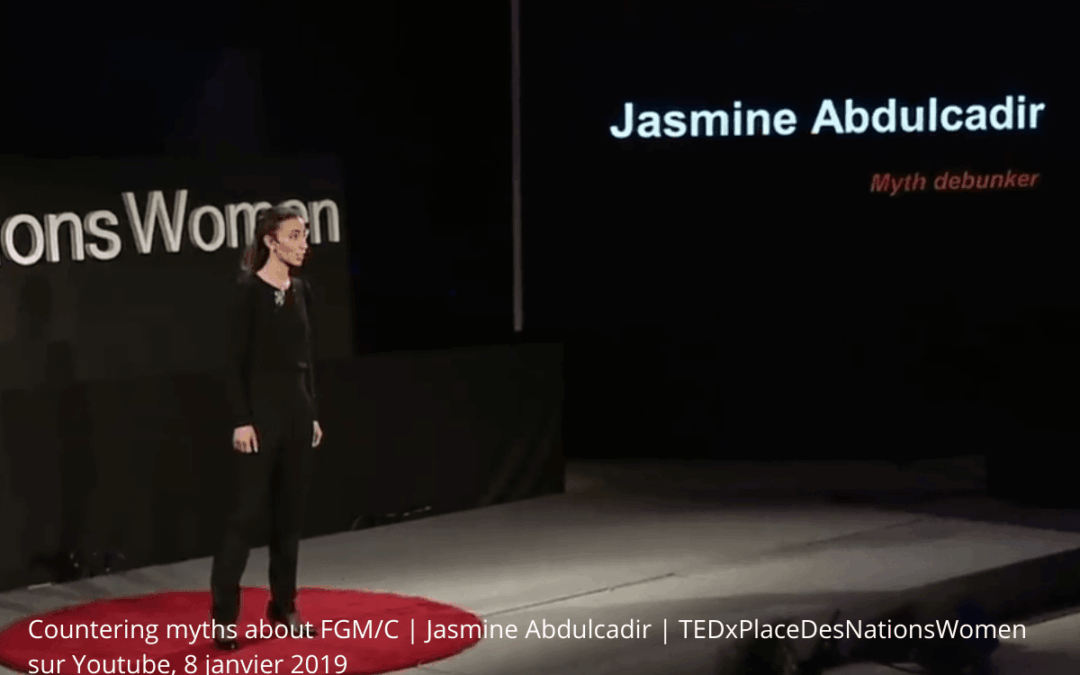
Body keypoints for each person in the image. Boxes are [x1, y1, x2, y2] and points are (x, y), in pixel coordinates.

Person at [210, 204, 324, 650]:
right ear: (271, 242)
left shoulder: (301, 290)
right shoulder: (246, 291)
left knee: (290, 517)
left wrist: (312, 413)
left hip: (297, 413)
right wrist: (241, 420)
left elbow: (306, 358)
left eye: (305, 235)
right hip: (260, 416)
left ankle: (284, 605)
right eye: (294, 236)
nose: (303, 244)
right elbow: (232, 362)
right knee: (244, 517)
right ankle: (224, 618)